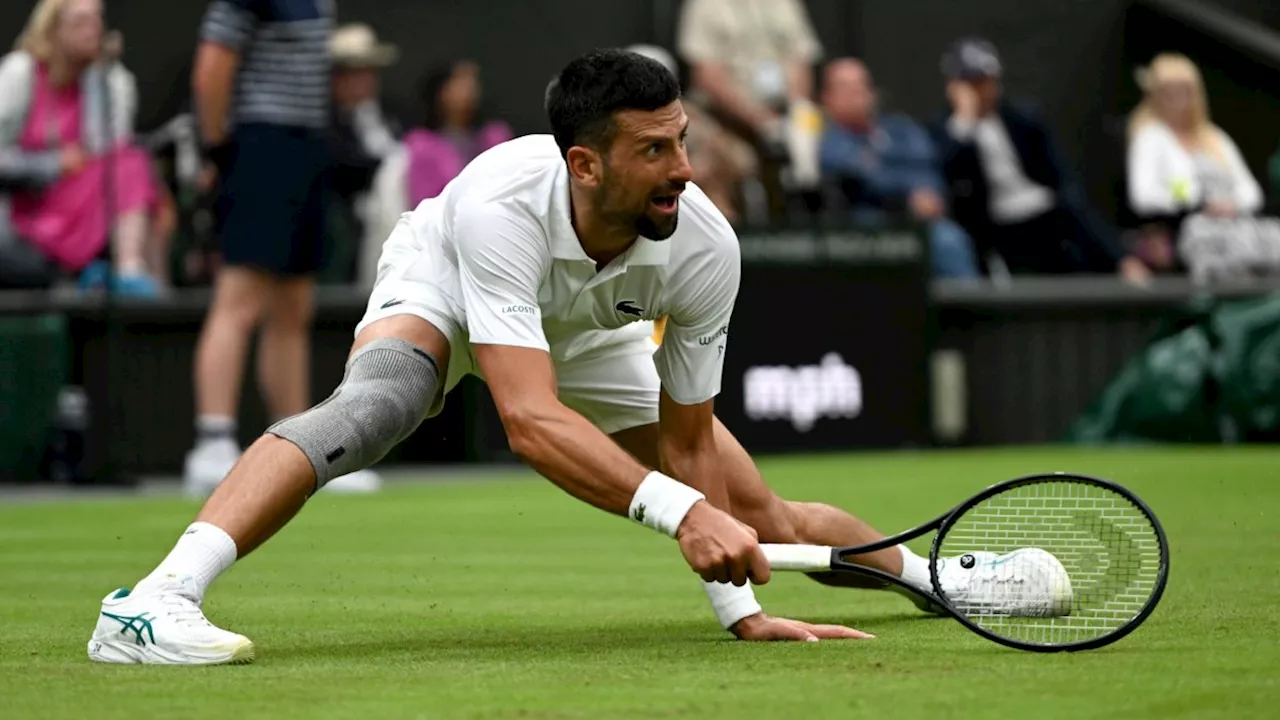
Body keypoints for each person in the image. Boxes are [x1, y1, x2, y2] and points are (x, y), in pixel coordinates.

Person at [87, 49, 1060, 665]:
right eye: (653, 150)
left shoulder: (704, 247)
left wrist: (736, 608)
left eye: (681, 141)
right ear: (583, 162)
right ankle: (152, 603)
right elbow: (527, 420)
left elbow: (687, 453)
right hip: (455, 282)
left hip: (587, 323)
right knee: (379, 401)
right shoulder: (498, 203)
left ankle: (940, 581)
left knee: (756, 505)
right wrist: (684, 519)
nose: (682, 168)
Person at [183, 0, 380, 497]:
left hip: (306, 151)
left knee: (293, 308)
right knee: (240, 300)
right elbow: (211, 70)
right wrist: (218, 149)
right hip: (257, 148)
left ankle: (298, 447)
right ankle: (212, 441)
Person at [932, 37, 1150, 282]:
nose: (984, 91)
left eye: (989, 81)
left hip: (1045, 215)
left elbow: (1063, 183)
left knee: (1077, 232)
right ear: (954, 87)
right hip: (996, 230)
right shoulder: (945, 133)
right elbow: (947, 181)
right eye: (974, 83)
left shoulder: (1023, 119)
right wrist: (965, 124)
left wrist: (1119, 255)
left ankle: (1122, 265)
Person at [0, 0, 161, 295]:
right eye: (81, 22)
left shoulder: (110, 80)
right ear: (54, 30)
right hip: (27, 208)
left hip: (85, 202)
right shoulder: (19, 73)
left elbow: (112, 153)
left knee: (133, 163)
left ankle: (130, 269)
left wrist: (106, 75)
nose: (93, 30)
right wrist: (52, 163)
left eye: (98, 21)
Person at [818, 58, 979, 279]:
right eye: (845, 87)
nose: (856, 92)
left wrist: (926, 192)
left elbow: (929, 165)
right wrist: (909, 195)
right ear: (827, 98)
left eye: (862, 84)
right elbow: (863, 176)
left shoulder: (902, 129)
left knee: (950, 238)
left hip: (923, 222)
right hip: (867, 225)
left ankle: (970, 312)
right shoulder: (830, 140)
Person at [404, 59, 512, 204]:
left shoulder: (495, 136)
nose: (469, 90)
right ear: (440, 90)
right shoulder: (421, 145)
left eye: (473, 82)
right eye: (459, 83)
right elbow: (423, 202)